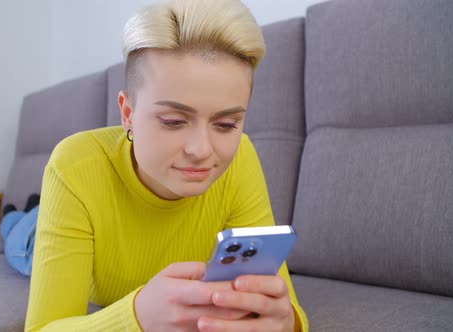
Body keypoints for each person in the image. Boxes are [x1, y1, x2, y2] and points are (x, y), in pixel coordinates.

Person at [24, 0, 308, 331]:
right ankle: (24, 215)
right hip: (50, 225)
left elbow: (285, 308)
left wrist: (286, 320)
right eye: (173, 121)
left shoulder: (241, 158)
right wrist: (136, 317)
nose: (202, 151)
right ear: (127, 114)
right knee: (23, 242)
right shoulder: (74, 166)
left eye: (227, 124)